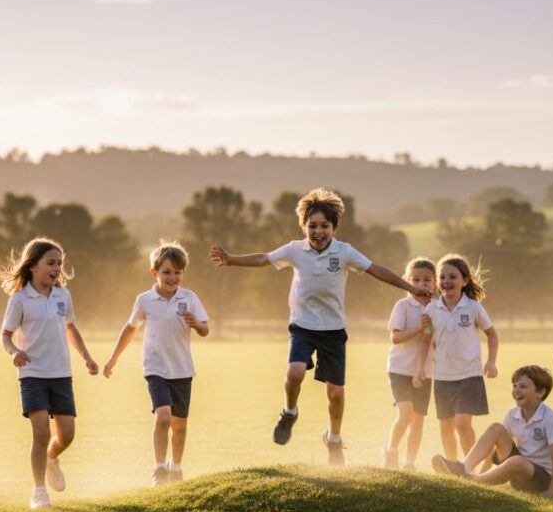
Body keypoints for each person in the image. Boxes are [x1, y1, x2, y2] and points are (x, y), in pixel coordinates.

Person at [209, 188, 430, 466]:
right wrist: (231, 260)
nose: (318, 231)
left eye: (324, 226)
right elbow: (264, 259)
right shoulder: (295, 250)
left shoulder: (344, 252)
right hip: (302, 325)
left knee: (335, 393)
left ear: (334, 227)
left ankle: (334, 439)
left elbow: (375, 269)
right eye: (312, 226)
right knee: (294, 372)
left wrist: (410, 287)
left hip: (333, 331)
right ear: (303, 227)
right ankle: (289, 412)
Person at [0, 237, 98, 509]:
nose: (56, 268)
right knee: (41, 433)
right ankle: (39, 491)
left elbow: (71, 328)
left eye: (59, 263)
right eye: (50, 263)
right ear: (32, 266)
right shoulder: (20, 299)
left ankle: (52, 459)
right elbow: (5, 336)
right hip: (32, 374)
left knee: (66, 434)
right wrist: (14, 352)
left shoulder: (63, 295)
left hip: (60, 374)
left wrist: (87, 358)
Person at [104, 241, 209, 486]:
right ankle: (159, 469)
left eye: (178, 272)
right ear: (155, 273)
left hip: (182, 370)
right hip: (155, 369)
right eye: (167, 272)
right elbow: (130, 329)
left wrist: (197, 324)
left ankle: (176, 468)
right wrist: (113, 358)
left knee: (179, 424)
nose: (173, 277)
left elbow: (205, 330)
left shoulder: (189, 298)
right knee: (163, 417)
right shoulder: (144, 300)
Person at [417, 254, 498, 467]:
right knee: (445, 426)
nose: (446, 281)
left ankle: (469, 467)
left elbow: (492, 334)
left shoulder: (473, 307)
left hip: (469, 374)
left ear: (465, 280)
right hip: (443, 375)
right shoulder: (431, 309)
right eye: (442, 277)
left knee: (462, 424)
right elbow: (426, 340)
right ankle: (452, 466)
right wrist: (420, 368)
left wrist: (491, 362)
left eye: (452, 276)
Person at [433, 365, 553, 496]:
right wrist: (484, 470)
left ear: (540, 392)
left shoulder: (549, 418)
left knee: (517, 461)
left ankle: (473, 481)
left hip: (540, 479)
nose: (516, 390)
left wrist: (552, 490)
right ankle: (463, 468)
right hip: (517, 474)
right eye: (515, 386)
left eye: (523, 386)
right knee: (496, 428)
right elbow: (497, 447)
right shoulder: (512, 414)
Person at [383, 257, 436, 471]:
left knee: (418, 419)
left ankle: (409, 463)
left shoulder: (438, 307)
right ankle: (391, 450)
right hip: (399, 369)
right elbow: (395, 338)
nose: (422, 284)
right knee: (405, 414)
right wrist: (418, 328)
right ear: (407, 281)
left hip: (425, 371)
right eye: (416, 279)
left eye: (427, 280)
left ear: (435, 283)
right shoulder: (403, 305)